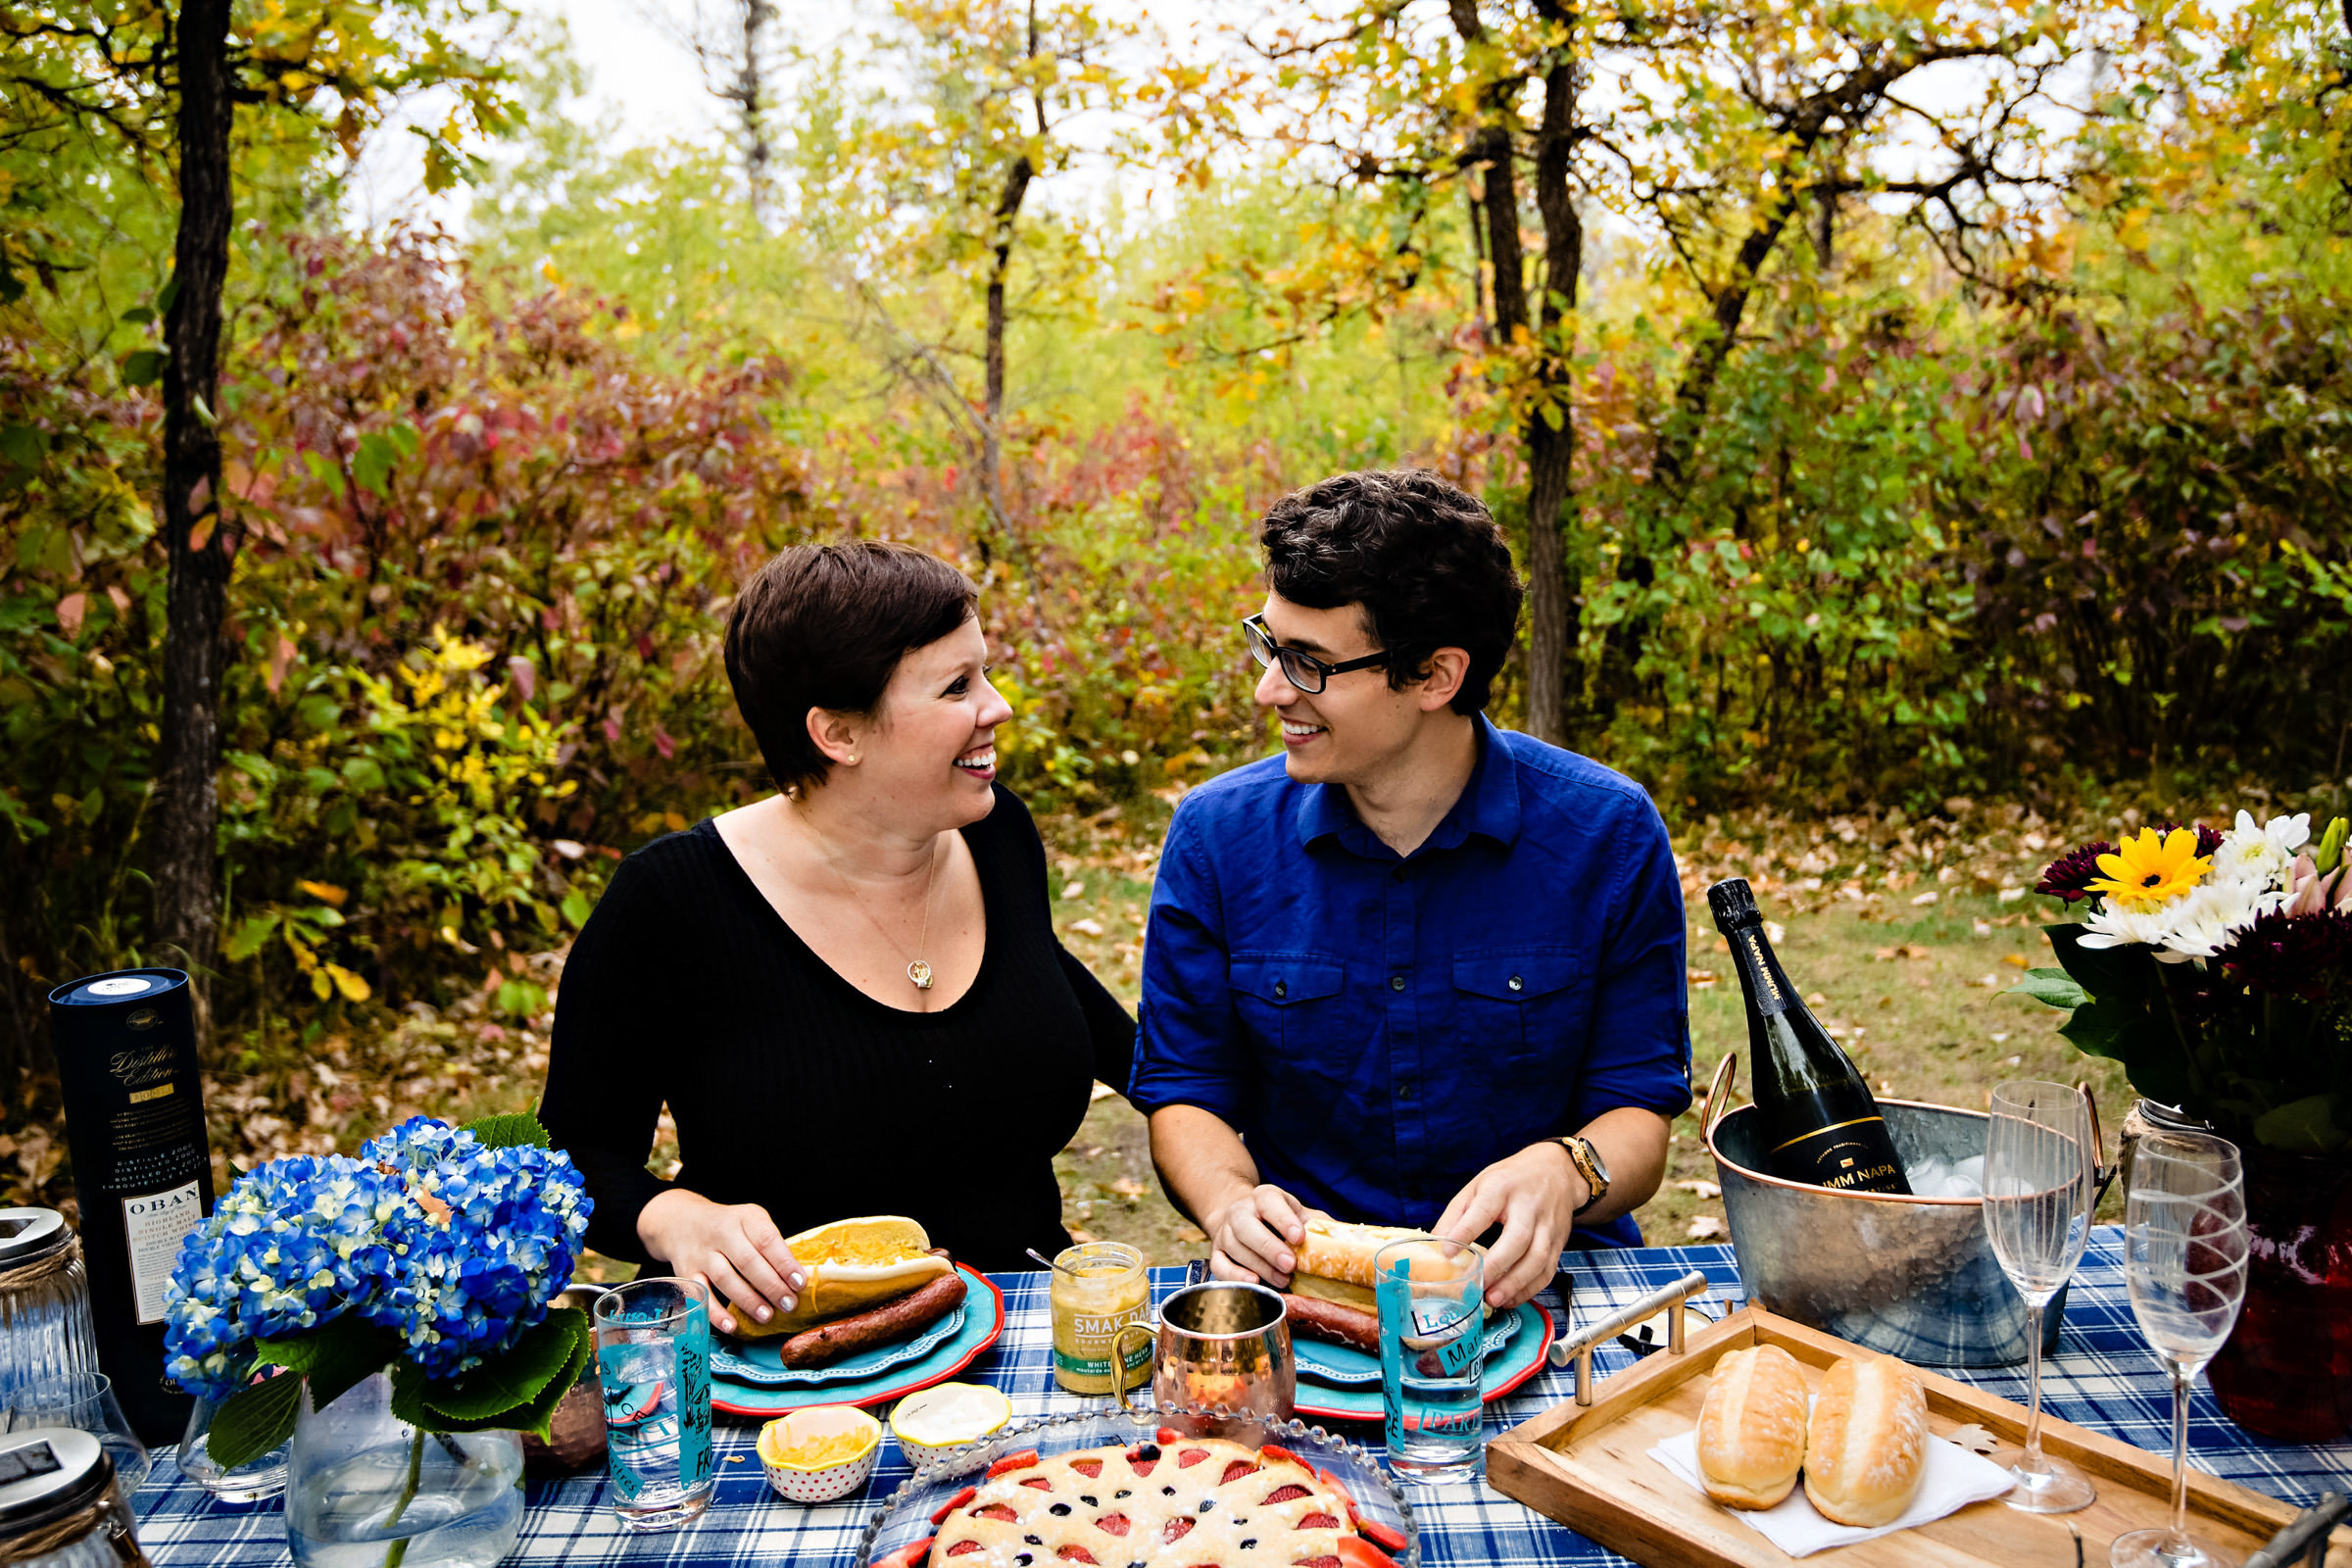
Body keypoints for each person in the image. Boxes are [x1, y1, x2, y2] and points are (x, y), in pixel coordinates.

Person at [1132, 469, 1691, 1312]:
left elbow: (1639, 1109)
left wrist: (1567, 1168)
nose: (1269, 689)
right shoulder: (1216, 837)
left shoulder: (1608, 835)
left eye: (1309, 664)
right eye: (1269, 646)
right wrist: (1228, 1204)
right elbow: (1186, 1090)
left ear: (1436, 676)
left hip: (1547, 1289)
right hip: (1308, 1291)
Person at [541, 541, 1134, 1334]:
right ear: (838, 734)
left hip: (1024, 1332)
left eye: (984, 673)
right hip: (788, 1356)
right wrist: (672, 1216)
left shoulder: (997, 835)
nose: (998, 707)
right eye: (957, 686)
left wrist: (1216, 1122)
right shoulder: (672, 903)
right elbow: (571, 1158)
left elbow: (1044, 983)